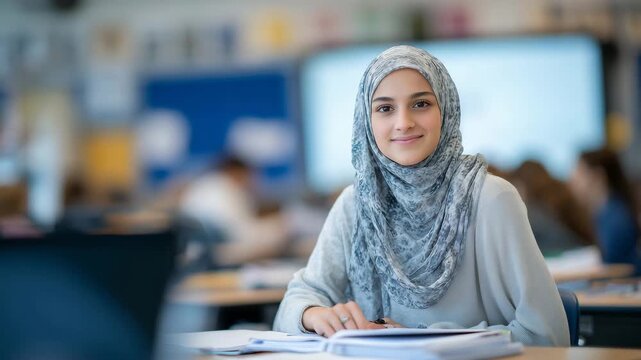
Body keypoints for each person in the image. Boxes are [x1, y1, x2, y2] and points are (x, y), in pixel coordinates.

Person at [273, 45, 569, 346]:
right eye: (385, 108)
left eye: (421, 104)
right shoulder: (356, 204)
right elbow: (293, 305)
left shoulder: (491, 199)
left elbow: (547, 334)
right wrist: (311, 314)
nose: (403, 122)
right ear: (366, 120)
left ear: (446, 109)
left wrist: (422, 340)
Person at [179, 155, 289, 267]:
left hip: (195, 258)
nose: (252, 182)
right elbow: (244, 236)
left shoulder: (202, 185)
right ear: (236, 172)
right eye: (250, 176)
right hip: (215, 258)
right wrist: (280, 225)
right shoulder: (227, 189)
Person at [568, 148, 641, 275]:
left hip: (625, 285)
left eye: (579, 172)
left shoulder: (616, 218)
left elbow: (612, 264)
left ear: (597, 176)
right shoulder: (605, 211)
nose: (573, 180)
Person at [510, 160, 595, 255]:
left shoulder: (533, 212)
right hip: (589, 256)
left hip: (564, 263)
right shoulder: (564, 193)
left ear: (522, 184)